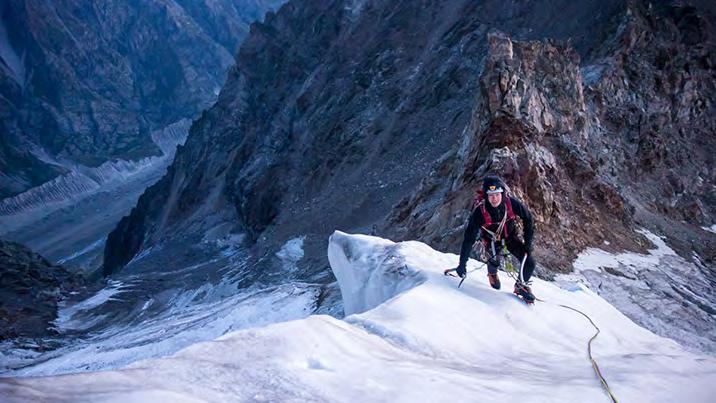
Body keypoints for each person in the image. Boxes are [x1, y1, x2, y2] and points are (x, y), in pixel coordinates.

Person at [454, 175, 536, 302]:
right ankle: (492, 273)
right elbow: (469, 238)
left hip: (510, 237)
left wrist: (528, 244)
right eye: (491, 195)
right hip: (491, 240)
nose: (494, 198)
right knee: (494, 259)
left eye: (497, 194)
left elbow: (528, 219)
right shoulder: (480, 212)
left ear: (502, 193)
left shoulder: (511, 204)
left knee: (529, 262)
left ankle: (521, 286)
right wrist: (462, 264)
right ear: (486, 196)